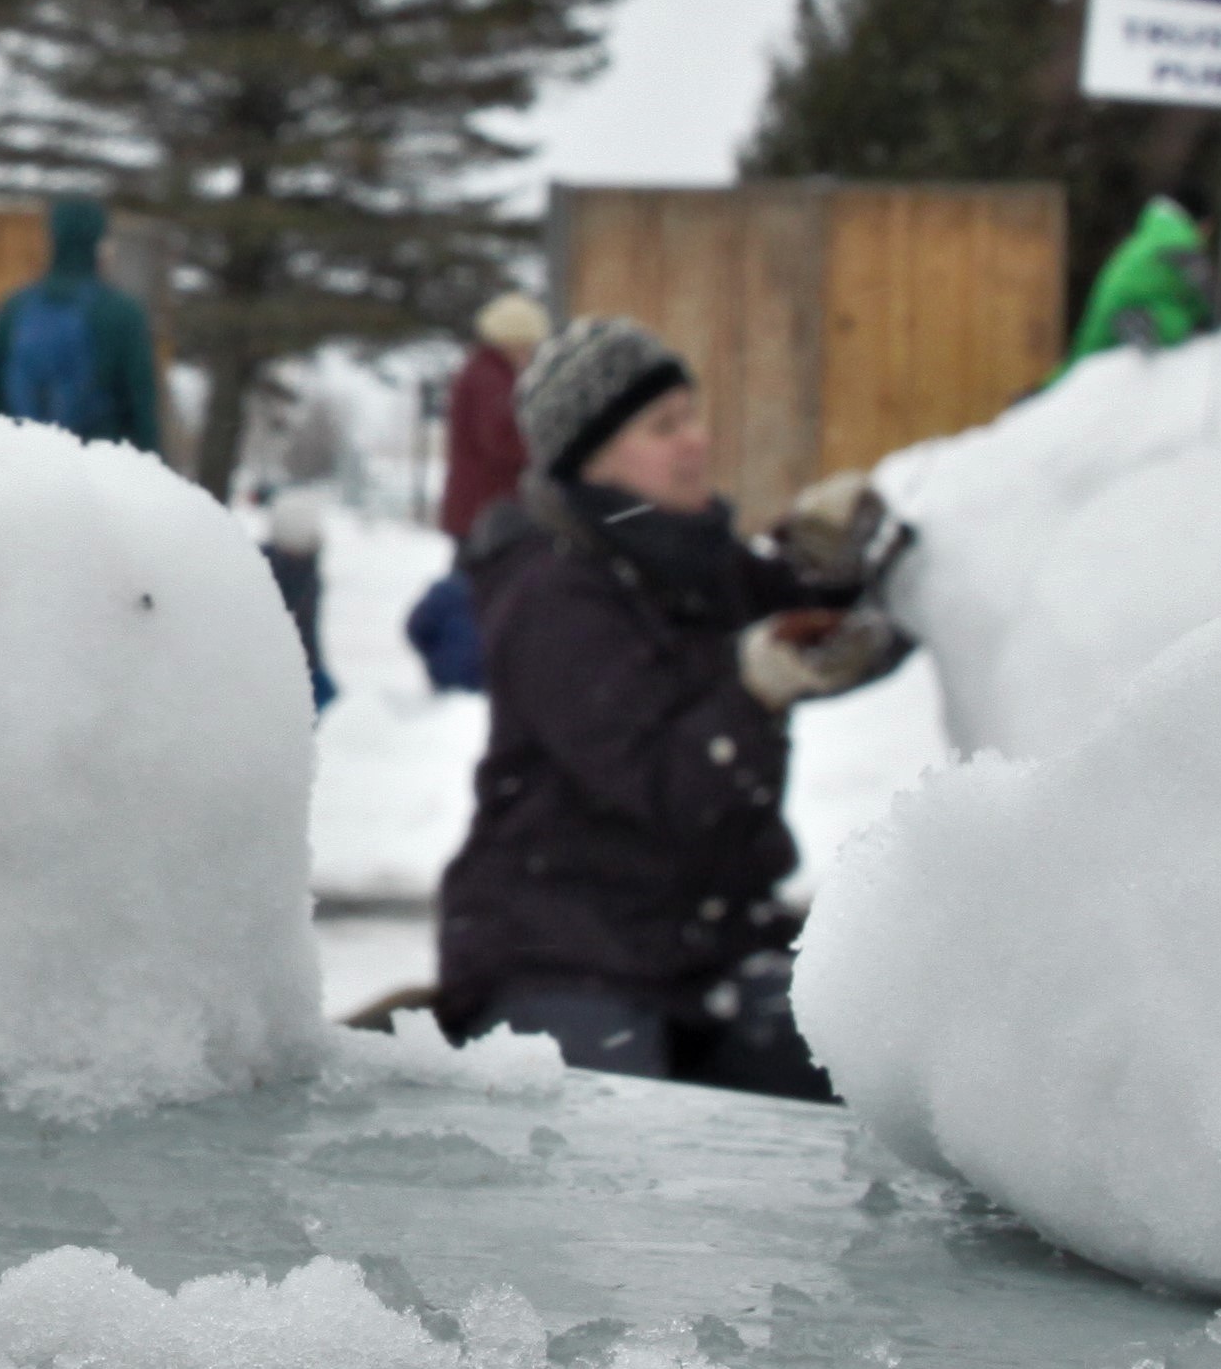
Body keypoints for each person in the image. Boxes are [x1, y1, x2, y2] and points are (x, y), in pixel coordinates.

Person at [434, 314, 913, 1098]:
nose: (695, 440)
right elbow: (660, 778)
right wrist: (755, 686)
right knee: (606, 1165)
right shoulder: (550, 591)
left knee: (881, 1083)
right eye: (663, 426)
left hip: (712, 950)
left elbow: (805, 611)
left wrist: (836, 556)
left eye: (691, 415)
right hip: (565, 953)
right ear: (593, 455)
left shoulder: (687, 554)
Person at [407, 291, 548, 693]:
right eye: (528, 345)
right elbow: (501, 438)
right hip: (486, 513)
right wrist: (546, 448)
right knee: (475, 594)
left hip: (478, 510)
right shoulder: (492, 376)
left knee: (472, 591)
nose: (531, 354)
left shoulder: (483, 370)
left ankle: (462, 665)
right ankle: (462, 672)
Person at [0, 194, 161, 451]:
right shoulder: (122, 313)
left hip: (21, 463)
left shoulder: (16, 306)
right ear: (100, 241)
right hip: (93, 466)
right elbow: (140, 404)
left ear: (53, 237)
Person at [1059, 186, 1215, 371]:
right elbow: (1206, 294)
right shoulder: (1179, 239)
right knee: (1177, 324)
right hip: (1131, 313)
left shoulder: (1145, 240)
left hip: (1109, 317)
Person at [262, 485, 332, 710]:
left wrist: (314, 668)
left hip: (301, 668)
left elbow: (308, 627)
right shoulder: (261, 569)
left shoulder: (309, 573)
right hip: (269, 672)